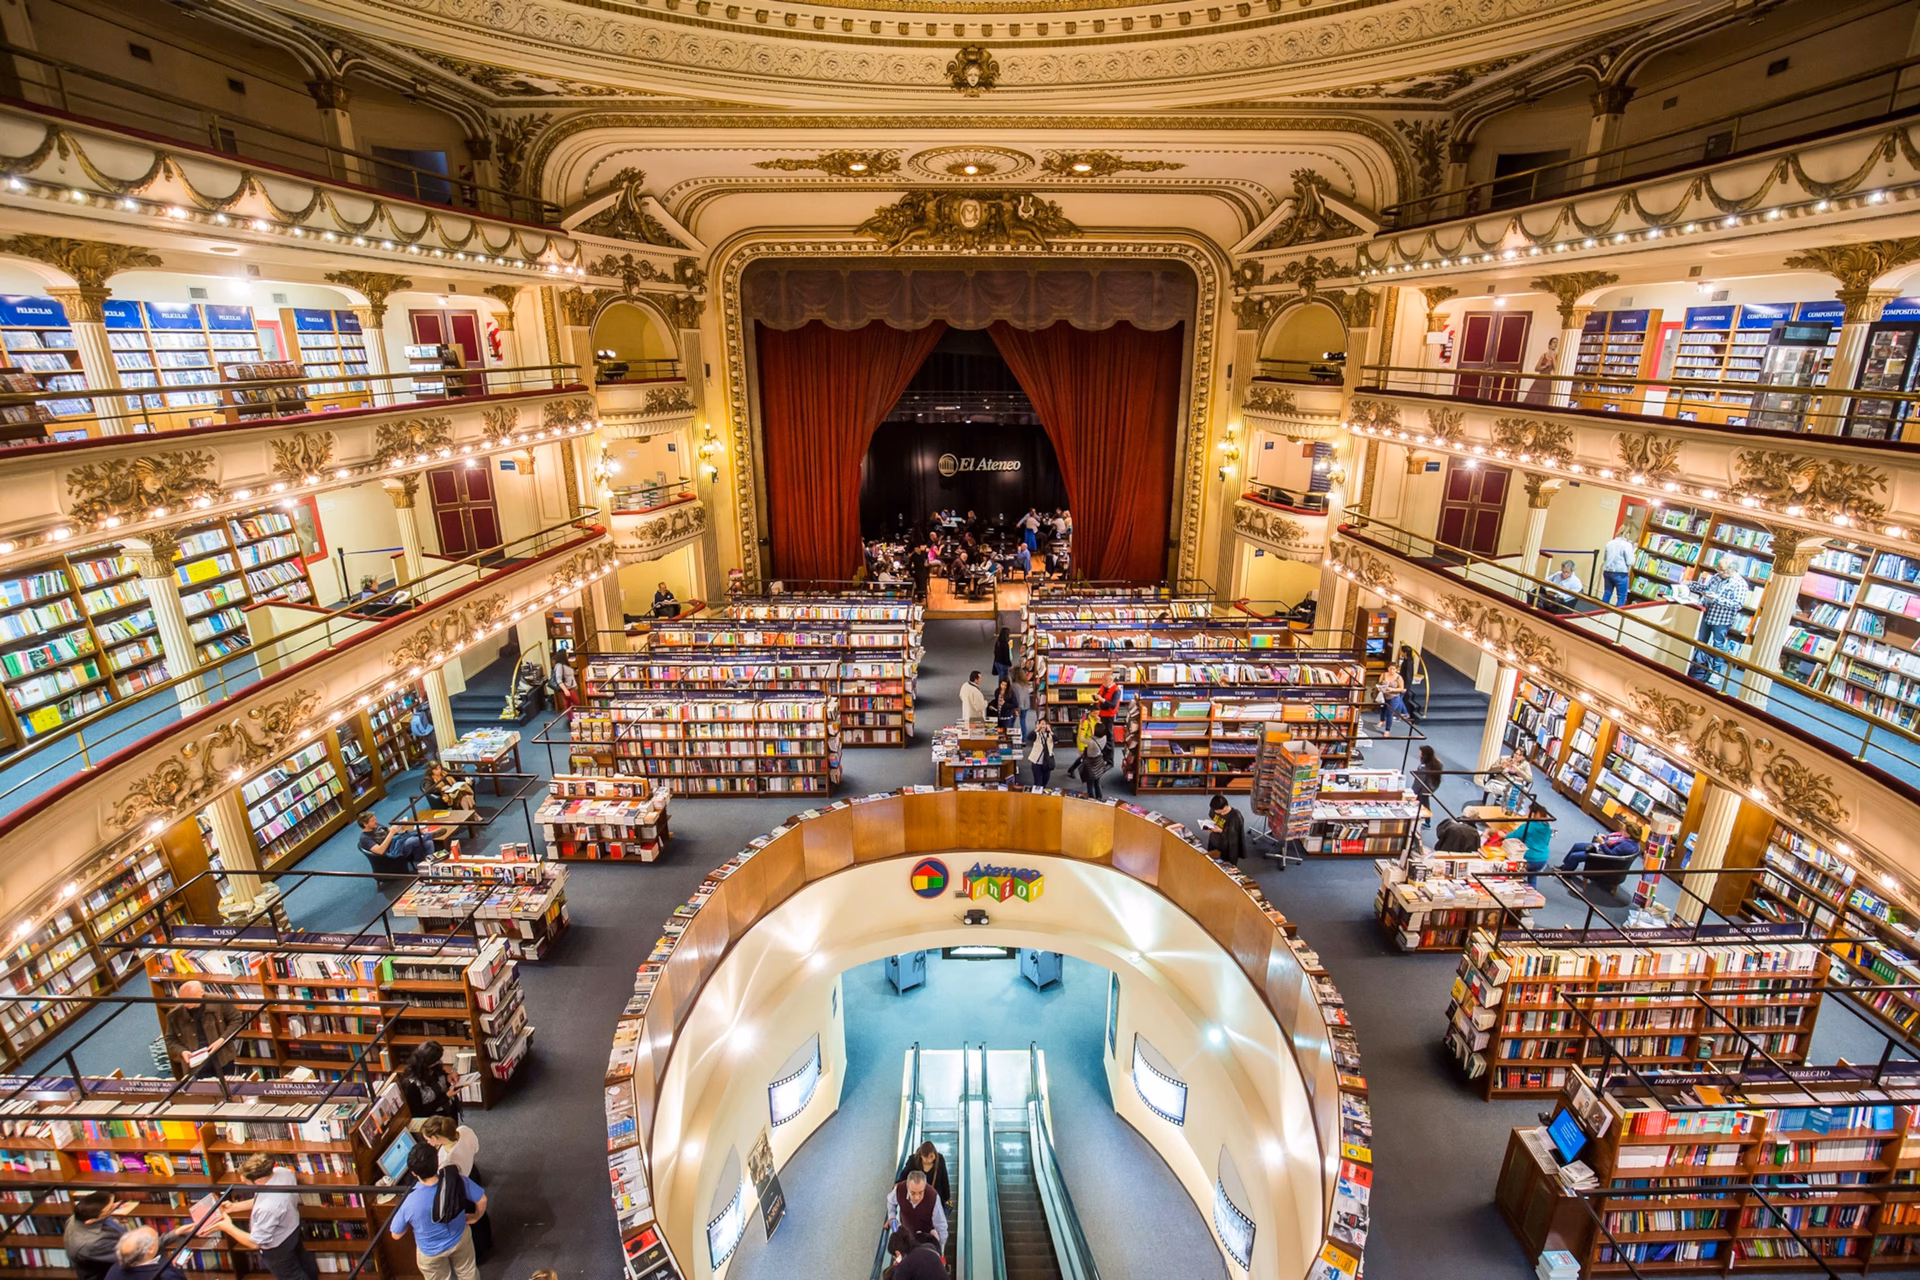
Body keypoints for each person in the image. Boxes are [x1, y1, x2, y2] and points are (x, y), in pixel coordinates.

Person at [387, 1141, 486, 1280]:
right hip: (459, 1237)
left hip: (430, 1251)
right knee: (468, 1273)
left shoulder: (408, 1202)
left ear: (414, 1173)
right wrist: (476, 1217)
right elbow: (482, 1199)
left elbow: (396, 1235)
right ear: (437, 1161)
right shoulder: (456, 1180)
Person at [207, 1154, 316, 1280]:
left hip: (278, 1247)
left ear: (258, 1181)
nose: (245, 1183)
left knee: (292, 1276)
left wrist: (227, 1227)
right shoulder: (282, 1172)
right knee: (304, 1264)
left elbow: (255, 1243)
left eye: (246, 1181)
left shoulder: (269, 1207)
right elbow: (263, 1199)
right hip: (292, 1228)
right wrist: (234, 1207)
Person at [420, 1115, 488, 1258]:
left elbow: (443, 1181)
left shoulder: (447, 1162)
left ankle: (480, 1253)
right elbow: (476, 1147)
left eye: (427, 1139)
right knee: (480, 1212)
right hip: (473, 1174)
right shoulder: (464, 1130)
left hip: (461, 1186)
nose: (427, 1142)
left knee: (470, 1218)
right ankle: (488, 1242)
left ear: (436, 1138)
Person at [163, 981, 250, 1078]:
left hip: (222, 1056)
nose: (187, 1004)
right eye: (183, 1000)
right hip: (197, 1062)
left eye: (191, 999)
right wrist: (182, 1051)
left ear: (201, 993)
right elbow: (170, 1039)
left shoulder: (218, 1001)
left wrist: (222, 1040)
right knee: (206, 1090)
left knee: (229, 1085)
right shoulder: (174, 1015)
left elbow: (236, 1019)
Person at [67, 1194, 143, 1280]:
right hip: (106, 1274)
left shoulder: (77, 1217)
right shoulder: (93, 1244)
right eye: (110, 1209)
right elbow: (129, 1255)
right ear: (90, 1221)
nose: (115, 1206)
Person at [1695, 561, 1750, 678]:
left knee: (1718, 645)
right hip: (1707, 612)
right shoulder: (1716, 577)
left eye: (1723, 570)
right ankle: (1698, 666)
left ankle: (1716, 673)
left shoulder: (1740, 583)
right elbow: (1706, 588)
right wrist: (1691, 585)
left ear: (1733, 569)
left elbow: (1738, 604)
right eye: (1718, 569)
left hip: (1721, 619)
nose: (1720, 572)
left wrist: (1716, 599)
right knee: (1700, 641)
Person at [397, 1040, 463, 1122]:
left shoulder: (433, 1067)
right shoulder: (411, 1085)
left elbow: (439, 1077)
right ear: (428, 1062)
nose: (440, 1062)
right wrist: (446, 1097)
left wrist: (448, 1076)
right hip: (434, 1121)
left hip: (449, 1111)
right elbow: (418, 1113)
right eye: (437, 1060)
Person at [886, 1170, 948, 1255]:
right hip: (906, 1237)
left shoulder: (933, 1196)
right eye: (913, 1193)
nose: (917, 1197)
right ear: (907, 1186)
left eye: (921, 1192)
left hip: (926, 1241)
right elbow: (891, 1202)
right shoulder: (900, 1189)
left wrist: (940, 1253)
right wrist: (892, 1216)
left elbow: (941, 1226)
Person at [104, 1227, 189, 1280]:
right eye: (156, 1238)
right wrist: (176, 1267)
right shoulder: (166, 1275)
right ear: (151, 1249)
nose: (159, 1240)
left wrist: (176, 1232)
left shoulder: (114, 1268)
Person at [357, 811, 432, 869]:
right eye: (373, 821)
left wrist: (399, 826)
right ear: (365, 824)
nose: (375, 822)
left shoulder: (376, 826)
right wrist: (391, 834)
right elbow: (380, 850)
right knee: (412, 840)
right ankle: (430, 835)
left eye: (375, 819)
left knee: (428, 843)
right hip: (392, 852)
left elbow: (390, 830)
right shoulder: (365, 838)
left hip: (396, 842)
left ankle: (428, 863)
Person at [1510, 802, 1556, 887]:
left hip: (1528, 858)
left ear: (1533, 814)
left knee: (1514, 870)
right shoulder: (1547, 827)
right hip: (1542, 859)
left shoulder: (1528, 825)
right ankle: (1532, 894)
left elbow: (1512, 836)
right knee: (1532, 876)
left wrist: (1501, 834)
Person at [1561, 827, 1643, 875]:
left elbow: (1611, 854)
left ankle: (1565, 873)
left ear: (1630, 834)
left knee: (1574, 856)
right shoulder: (1626, 839)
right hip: (1601, 848)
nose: (1621, 830)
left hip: (1603, 857)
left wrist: (1602, 843)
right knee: (1577, 846)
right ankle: (1565, 866)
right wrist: (1606, 838)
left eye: (1624, 830)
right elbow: (1613, 841)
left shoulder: (1627, 845)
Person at [898, 1139, 951, 1208]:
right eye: (926, 1158)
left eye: (931, 1156)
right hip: (918, 1199)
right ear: (921, 1156)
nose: (929, 1160)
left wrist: (947, 1197)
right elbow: (904, 1176)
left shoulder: (940, 1159)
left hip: (935, 1199)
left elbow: (944, 1178)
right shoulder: (913, 1161)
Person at [1204, 794, 1247, 863]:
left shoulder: (1235, 816)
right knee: (1212, 860)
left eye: (1218, 810)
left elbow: (1235, 836)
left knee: (1225, 863)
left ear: (1225, 807)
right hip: (1214, 841)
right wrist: (1209, 826)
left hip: (1227, 846)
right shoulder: (1215, 809)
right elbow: (1211, 817)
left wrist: (1221, 831)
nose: (1216, 812)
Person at [1602, 528, 1635, 608]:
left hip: (1607, 571)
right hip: (1621, 573)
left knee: (1607, 592)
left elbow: (1605, 558)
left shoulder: (1610, 543)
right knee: (1621, 596)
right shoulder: (1627, 545)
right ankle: (1616, 616)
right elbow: (1630, 562)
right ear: (1628, 534)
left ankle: (1600, 612)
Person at [1520, 336, 1559, 405]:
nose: (1555, 344)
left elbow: (1557, 369)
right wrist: (1545, 365)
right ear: (1549, 344)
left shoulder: (1556, 356)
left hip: (1547, 379)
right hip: (1540, 377)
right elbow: (1536, 368)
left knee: (1543, 396)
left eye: (1556, 342)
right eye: (1554, 342)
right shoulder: (1543, 355)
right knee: (1533, 395)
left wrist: (1553, 358)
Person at [1413, 746, 1443, 829]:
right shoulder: (1437, 763)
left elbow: (1419, 781)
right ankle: (1426, 820)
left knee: (1422, 804)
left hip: (1423, 789)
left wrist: (1413, 792)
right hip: (1431, 788)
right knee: (1424, 803)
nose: (1419, 754)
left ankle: (1426, 821)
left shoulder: (1423, 768)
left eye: (1420, 753)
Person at [1077, 731, 1112, 800]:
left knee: (1090, 784)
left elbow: (1081, 739)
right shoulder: (1104, 737)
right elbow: (1094, 734)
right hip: (1098, 762)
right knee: (1097, 782)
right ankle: (1099, 797)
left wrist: (1082, 730)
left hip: (1091, 764)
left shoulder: (1091, 742)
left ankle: (1091, 799)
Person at [1375, 666, 1407, 734]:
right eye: (1390, 668)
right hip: (1384, 696)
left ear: (1396, 670)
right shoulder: (1383, 675)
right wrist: (1379, 688)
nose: (1391, 670)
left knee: (1389, 713)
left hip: (1394, 697)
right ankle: (1382, 720)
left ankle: (1387, 730)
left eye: (1393, 669)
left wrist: (1392, 689)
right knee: (1382, 709)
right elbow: (1379, 683)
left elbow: (1401, 689)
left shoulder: (1399, 677)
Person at [1027, 720, 1056, 789]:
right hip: (1037, 762)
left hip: (1047, 762)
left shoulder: (1050, 735)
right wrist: (1037, 729)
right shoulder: (1036, 734)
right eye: (1041, 724)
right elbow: (1029, 737)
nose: (1043, 726)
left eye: (1045, 724)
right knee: (1038, 782)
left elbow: (1057, 740)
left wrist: (1050, 731)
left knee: (1045, 780)